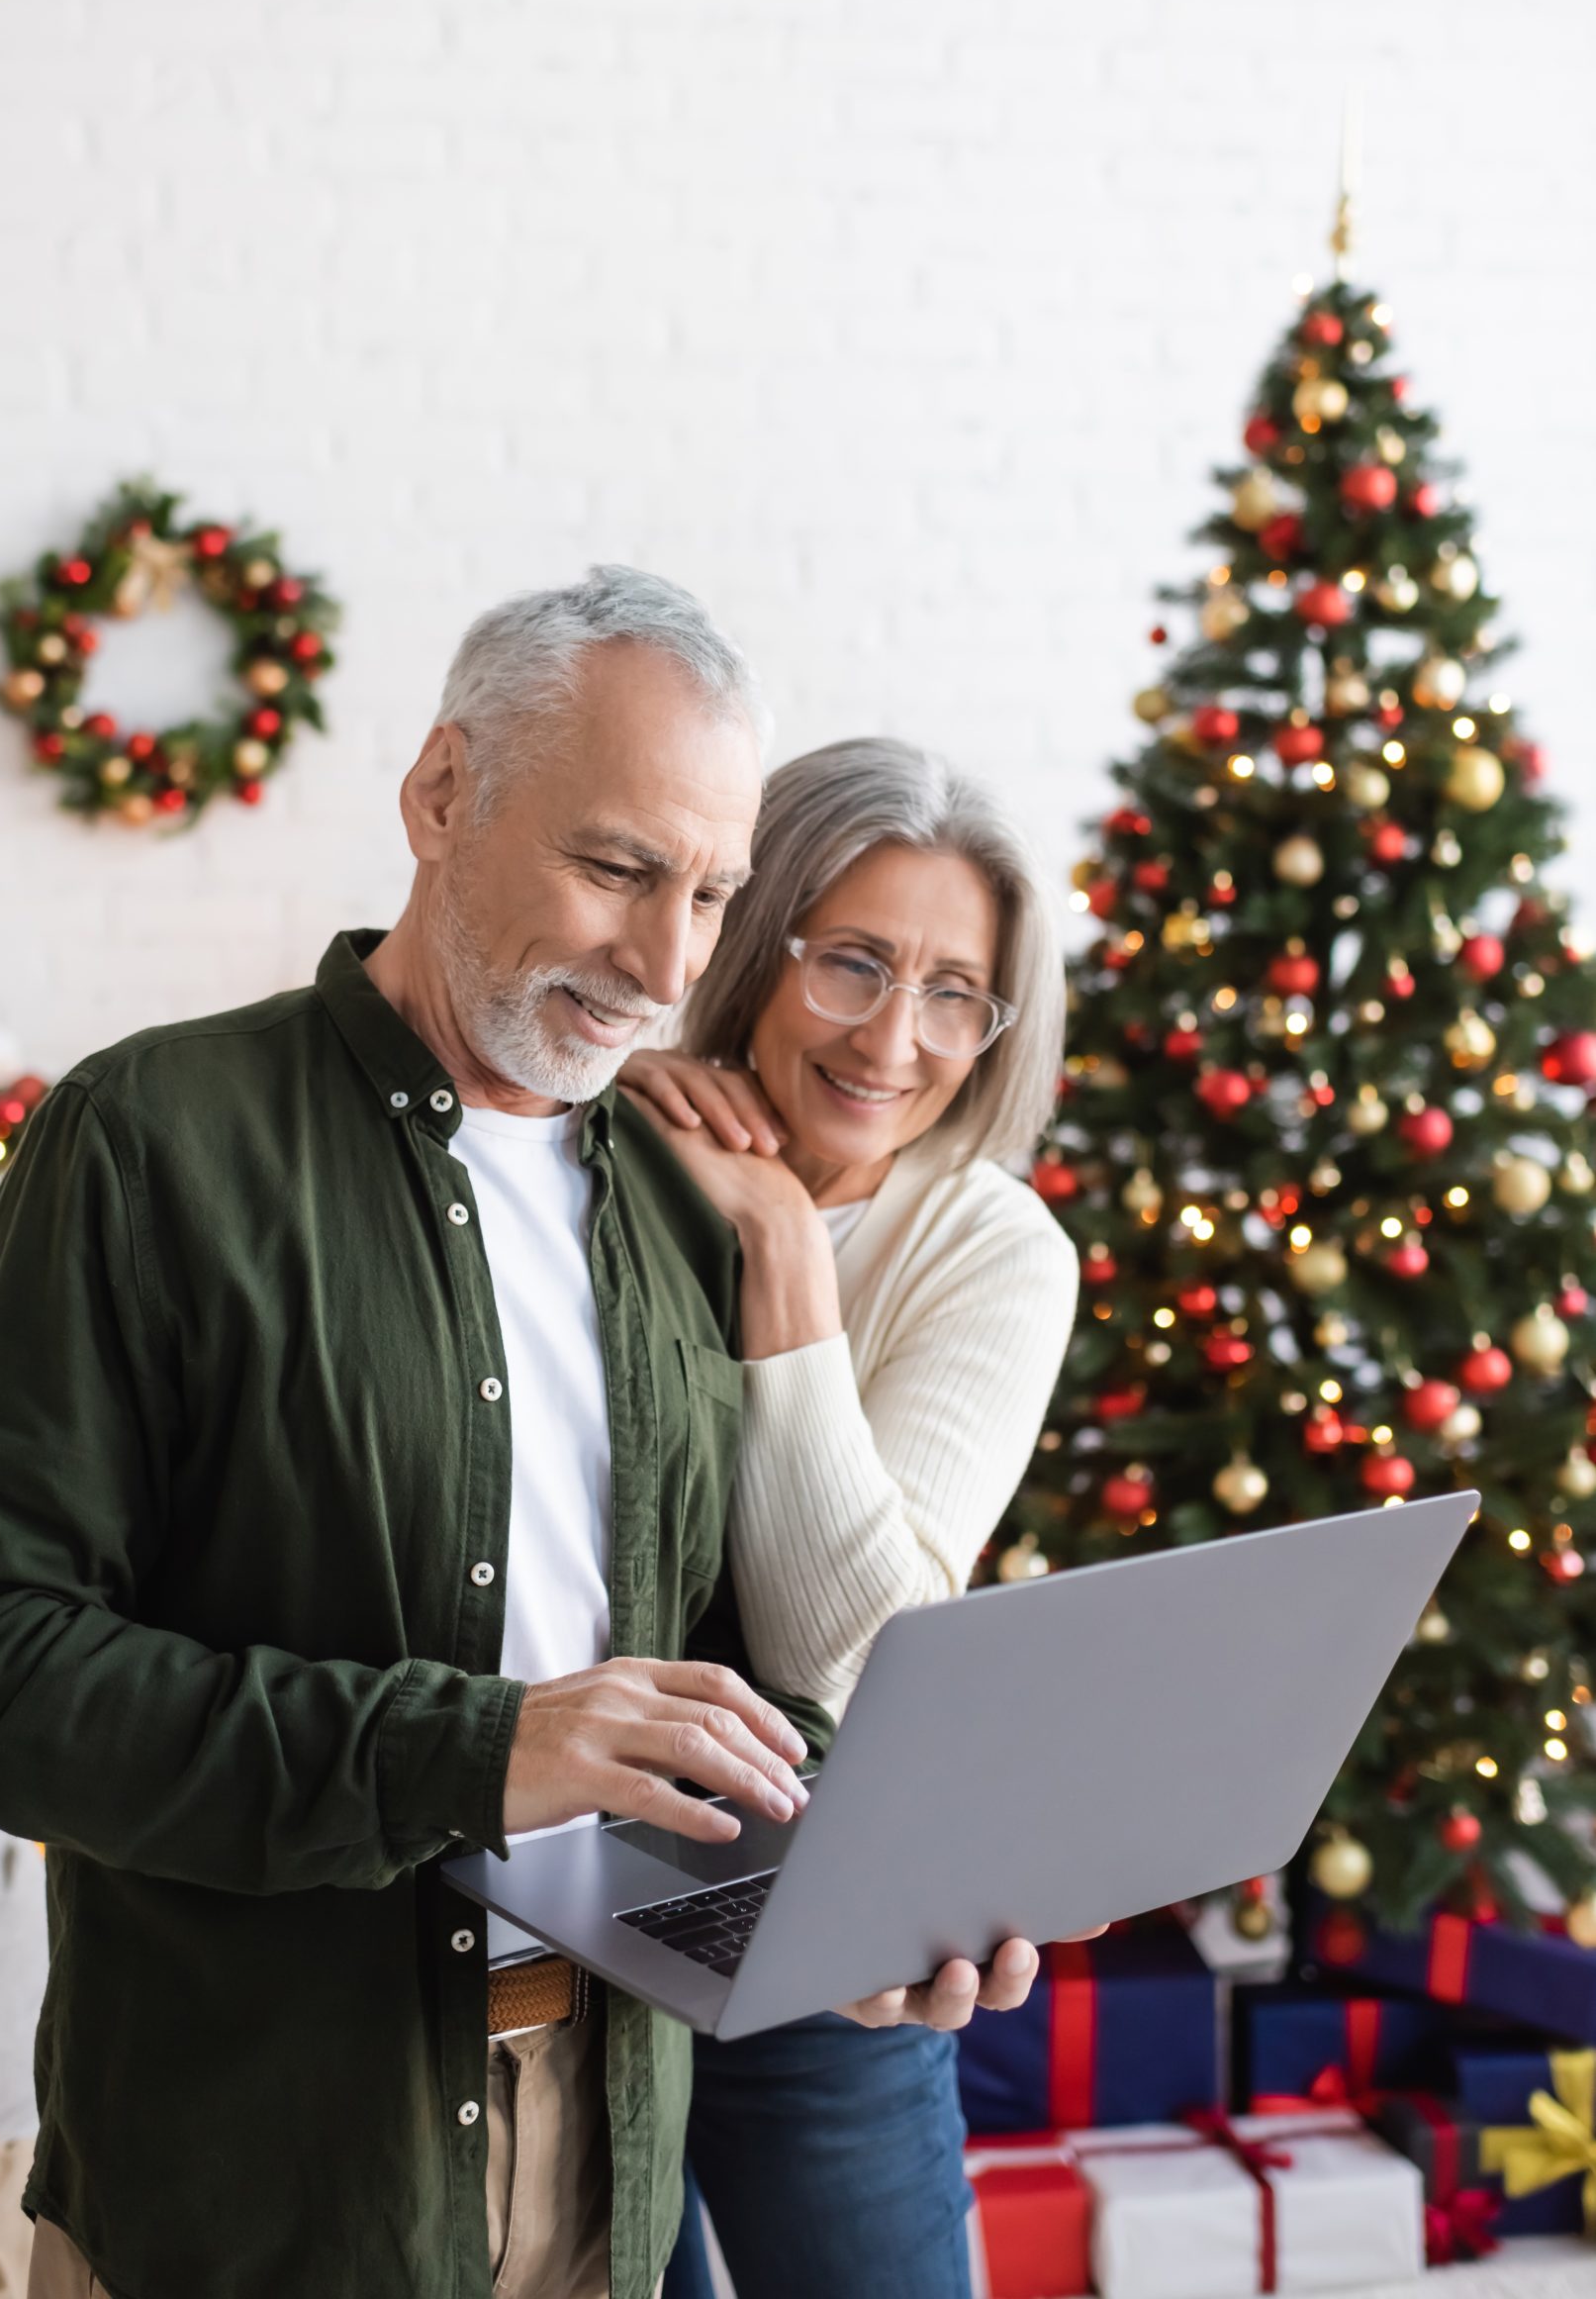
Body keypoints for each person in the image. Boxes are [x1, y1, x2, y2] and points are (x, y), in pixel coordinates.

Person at [0, 578, 1039, 2299]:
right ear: (440, 795)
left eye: (714, 894)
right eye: (617, 869)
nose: (668, 967)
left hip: (605, 2183)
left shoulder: (678, 1204)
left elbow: (710, 1690)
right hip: (257, 2195)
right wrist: (471, 1751)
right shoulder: (153, 1142)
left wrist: (852, 1906)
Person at [619, 737, 1081, 2299]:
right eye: (854, 965)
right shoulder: (597, 1154)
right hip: (565, 1906)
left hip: (833, 1938)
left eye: (957, 991)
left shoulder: (988, 1247)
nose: (898, 1037)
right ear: (756, 949)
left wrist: (784, 1255)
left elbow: (856, 1655)